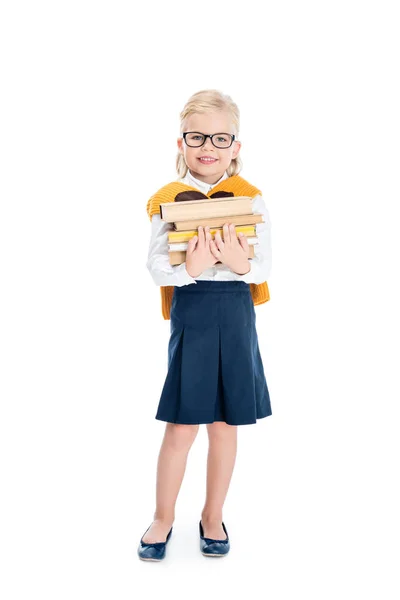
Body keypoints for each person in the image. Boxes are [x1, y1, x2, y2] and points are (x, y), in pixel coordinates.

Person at [138, 89, 272, 561]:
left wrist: (239, 263)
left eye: (220, 137)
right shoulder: (167, 200)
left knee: (224, 424)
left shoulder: (250, 200)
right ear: (181, 143)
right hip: (192, 315)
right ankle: (163, 516)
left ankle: (212, 516)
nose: (207, 146)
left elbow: (264, 267)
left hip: (236, 316)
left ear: (236, 146)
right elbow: (157, 266)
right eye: (197, 136)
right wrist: (189, 270)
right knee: (180, 426)